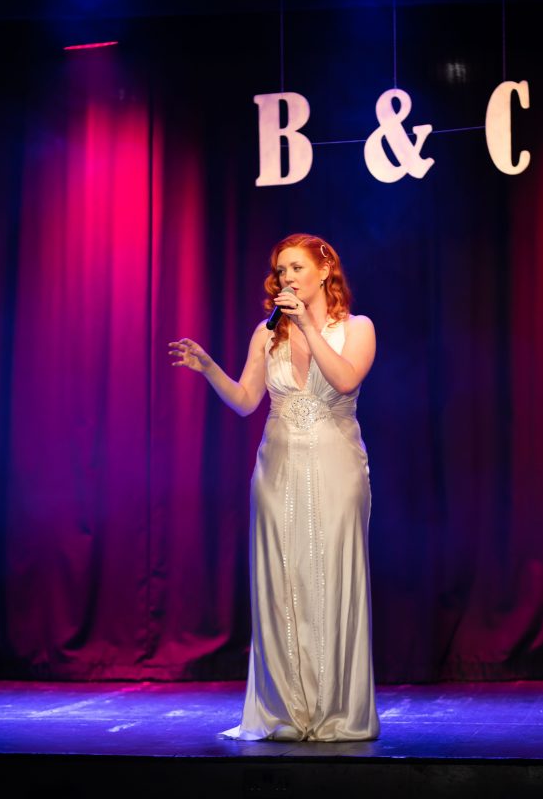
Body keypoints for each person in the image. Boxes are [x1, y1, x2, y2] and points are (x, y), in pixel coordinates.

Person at [169, 233, 380, 741]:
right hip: (277, 468)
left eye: (295, 268)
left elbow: (346, 380)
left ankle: (336, 712)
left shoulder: (357, 328)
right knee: (283, 586)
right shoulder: (267, 335)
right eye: (280, 270)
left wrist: (307, 321)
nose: (285, 277)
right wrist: (209, 368)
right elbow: (246, 400)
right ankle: (285, 711)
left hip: (336, 465)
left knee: (332, 581)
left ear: (324, 269)